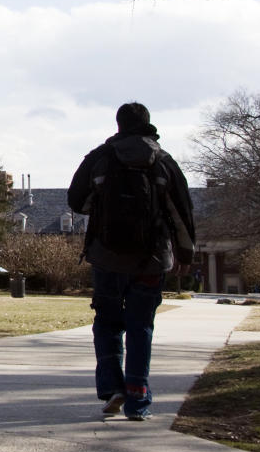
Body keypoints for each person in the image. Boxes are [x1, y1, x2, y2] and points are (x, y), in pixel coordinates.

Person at [68, 102, 194, 421]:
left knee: (107, 323)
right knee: (141, 326)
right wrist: (185, 254)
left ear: (119, 124)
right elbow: (182, 212)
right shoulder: (162, 161)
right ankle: (138, 396)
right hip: (151, 260)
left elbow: (77, 201)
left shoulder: (99, 157)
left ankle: (113, 388)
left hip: (106, 256)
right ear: (148, 124)